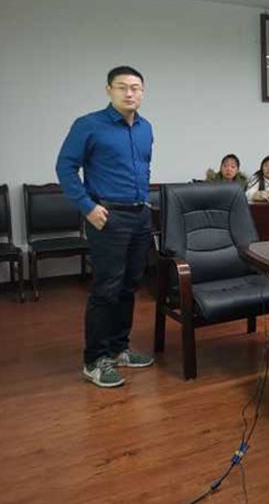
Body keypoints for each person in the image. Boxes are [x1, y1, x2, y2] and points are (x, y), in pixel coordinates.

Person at [55, 65, 154, 388]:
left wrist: (144, 203)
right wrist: (88, 207)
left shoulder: (145, 128)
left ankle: (118, 348)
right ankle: (95, 360)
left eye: (135, 87)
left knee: (130, 285)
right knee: (107, 288)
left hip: (140, 215)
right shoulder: (89, 125)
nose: (129, 93)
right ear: (109, 90)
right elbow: (65, 167)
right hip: (107, 216)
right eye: (122, 87)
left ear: (143, 92)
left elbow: (142, 168)